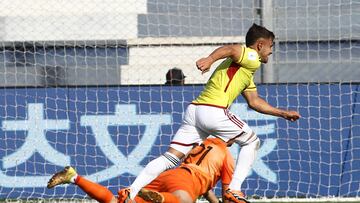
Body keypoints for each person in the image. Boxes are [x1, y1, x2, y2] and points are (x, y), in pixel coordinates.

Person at [120, 23, 301, 203]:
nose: (271, 51)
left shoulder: (244, 70)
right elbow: (231, 49)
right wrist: (209, 59)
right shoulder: (251, 56)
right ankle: (234, 190)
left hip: (194, 111)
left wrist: (282, 113)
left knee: (170, 157)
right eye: (271, 46)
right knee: (252, 142)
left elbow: (254, 101)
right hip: (213, 110)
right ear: (260, 45)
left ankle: (131, 191)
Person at [47, 137, 243, 203]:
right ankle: (162, 198)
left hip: (170, 175)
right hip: (185, 184)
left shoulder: (200, 143)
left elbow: (205, 187)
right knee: (183, 200)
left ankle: (74, 177)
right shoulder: (227, 156)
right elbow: (229, 195)